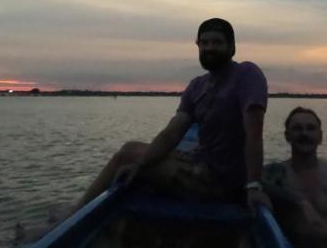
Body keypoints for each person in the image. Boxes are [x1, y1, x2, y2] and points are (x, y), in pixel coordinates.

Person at [68, 18, 272, 214]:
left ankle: (70, 216)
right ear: (198, 46)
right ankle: (80, 211)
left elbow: (254, 133)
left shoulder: (247, 74)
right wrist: (142, 165)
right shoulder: (197, 86)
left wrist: (253, 186)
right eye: (204, 43)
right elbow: (173, 133)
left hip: (220, 181)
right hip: (198, 164)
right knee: (131, 152)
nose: (209, 48)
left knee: (126, 155)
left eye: (217, 43)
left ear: (232, 47)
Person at [262, 107, 327, 243]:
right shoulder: (274, 174)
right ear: (287, 136)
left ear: (320, 137)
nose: (304, 133)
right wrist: (299, 201)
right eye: (297, 128)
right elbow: (248, 184)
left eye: (310, 128)